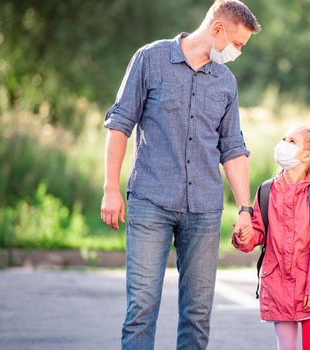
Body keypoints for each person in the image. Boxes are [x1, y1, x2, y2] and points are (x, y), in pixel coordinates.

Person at [99, 1, 261, 349]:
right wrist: (110, 188)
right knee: (141, 309)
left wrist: (245, 209)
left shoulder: (226, 83)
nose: (237, 53)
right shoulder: (150, 59)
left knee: (197, 315)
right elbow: (119, 125)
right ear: (217, 29)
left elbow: (233, 147)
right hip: (150, 203)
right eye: (237, 44)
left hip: (204, 210)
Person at [233, 126, 310, 350]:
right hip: (278, 286)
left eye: (292, 141)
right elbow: (258, 232)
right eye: (283, 139)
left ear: (307, 156)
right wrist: (244, 236)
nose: (284, 144)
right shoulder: (267, 191)